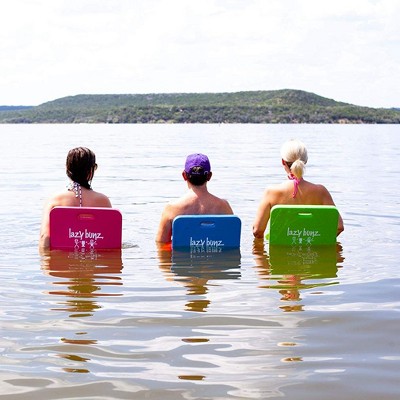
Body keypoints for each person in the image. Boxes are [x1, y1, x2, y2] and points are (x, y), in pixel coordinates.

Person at [253, 139, 344, 239]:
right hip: (311, 247)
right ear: (305, 161)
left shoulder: (271, 192)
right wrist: (317, 239)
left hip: (280, 248)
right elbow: (339, 227)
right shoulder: (321, 191)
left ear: (283, 161)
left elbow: (257, 231)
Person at [39, 147, 112, 250]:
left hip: (62, 257)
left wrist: (46, 260)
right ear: (91, 170)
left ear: (67, 168)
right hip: (93, 256)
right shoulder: (103, 201)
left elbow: (45, 236)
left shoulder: (54, 200)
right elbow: (110, 239)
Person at [156, 153, 234, 244]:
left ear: (184, 175)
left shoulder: (172, 209)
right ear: (209, 176)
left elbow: (161, 244)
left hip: (181, 253)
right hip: (215, 252)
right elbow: (231, 240)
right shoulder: (224, 207)